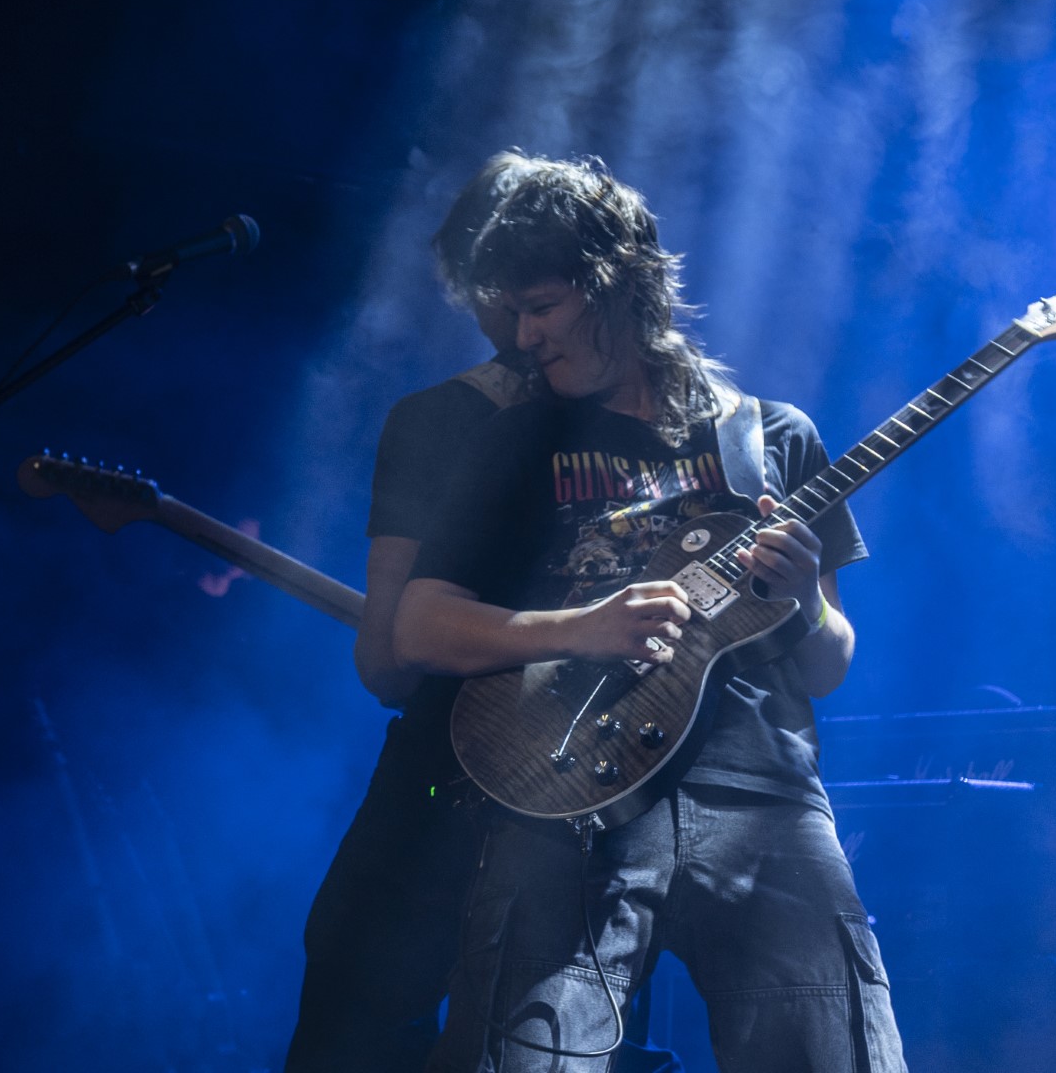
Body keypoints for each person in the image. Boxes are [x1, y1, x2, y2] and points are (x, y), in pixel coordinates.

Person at [396, 157, 908, 1072]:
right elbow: (419, 626)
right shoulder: (517, 442)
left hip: (762, 793)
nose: (524, 336)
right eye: (514, 312)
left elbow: (829, 665)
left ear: (618, 284)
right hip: (563, 795)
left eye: (542, 306)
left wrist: (801, 599)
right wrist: (579, 627)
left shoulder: (775, 437)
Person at [283, 153, 683, 1073]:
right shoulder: (675, 419)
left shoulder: (440, 418)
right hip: (611, 786)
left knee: (357, 1023)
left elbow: (387, 666)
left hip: (450, 783)